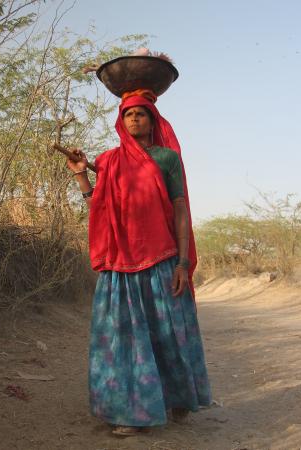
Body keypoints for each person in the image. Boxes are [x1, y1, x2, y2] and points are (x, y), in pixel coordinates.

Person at [66, 89, 211, 436]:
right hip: (120, 264)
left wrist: (181, 262)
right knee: (121, 338)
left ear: (152, 120)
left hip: (160, 259)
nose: (134, 119)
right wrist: (80, 173)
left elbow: (180, 211)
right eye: (128, 114)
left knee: (167, 334)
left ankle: (177, 398)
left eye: (140, 114)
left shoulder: (166, 159)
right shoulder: (108, 161)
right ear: (121, 120)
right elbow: (98, 208)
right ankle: (130, 411)